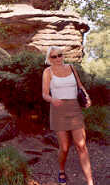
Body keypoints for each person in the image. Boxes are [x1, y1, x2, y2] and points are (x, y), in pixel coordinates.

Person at [42, 46, 94, 185]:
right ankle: (61, 170)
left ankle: (90, 181)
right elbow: (44, 94)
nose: (58, 58)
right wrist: (52, 99)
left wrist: (87, 97)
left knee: (81, 145)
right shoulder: (48, 72)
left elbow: (80, 86)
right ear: (49, 59)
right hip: (58, 111)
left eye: (60, 55)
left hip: (74, 109)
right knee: (64, 147)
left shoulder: (71, 67)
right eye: (54, 56)